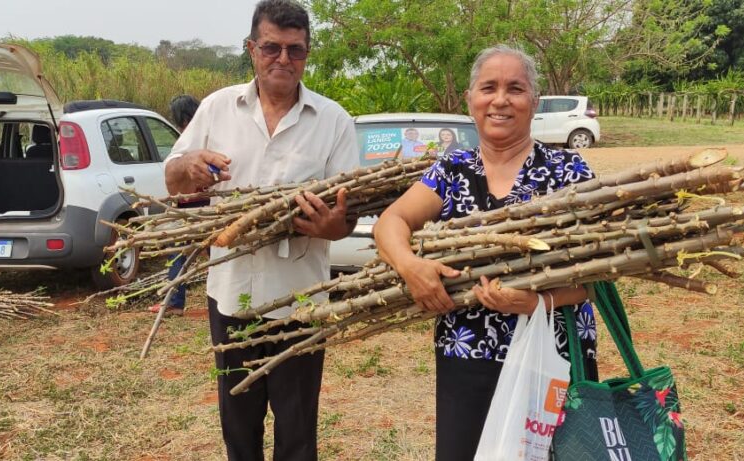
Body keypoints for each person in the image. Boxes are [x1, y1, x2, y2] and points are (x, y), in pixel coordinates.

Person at [373, 45, 599, 461]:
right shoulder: (451, 169)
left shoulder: (570, 171)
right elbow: (391, 221)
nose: (500, 100)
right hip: (467, 350)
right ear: (470, 99)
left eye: (514, 89)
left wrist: (538, 302)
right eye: (488, 88)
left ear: (533, 102)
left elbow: (597, 275)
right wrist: (409, 266)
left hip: (552, 354)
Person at [163, 1, 359, 460]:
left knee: (296, 433)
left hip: (300, 302)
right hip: (231, 295)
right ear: (251, 49)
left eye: (296, 50)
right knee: (238, 426)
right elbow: (171, 180)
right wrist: (187, 165)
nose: (283, 60)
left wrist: (333, 226)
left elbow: (348, 215)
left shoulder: (333, 121)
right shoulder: (216, 108)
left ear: (308, 53)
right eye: (271, 48)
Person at [148, 94, 202, 316]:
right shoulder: (210, 132)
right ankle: (175, 302)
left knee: (178, 253)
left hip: (194, 206)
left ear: (183, 119)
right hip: (204, 205)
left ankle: (174, 303)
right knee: (211, 252)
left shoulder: (190, 138)